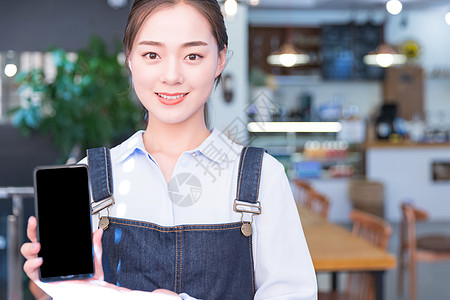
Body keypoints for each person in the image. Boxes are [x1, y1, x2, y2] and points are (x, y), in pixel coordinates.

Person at [21, 0, 318, 299]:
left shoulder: (263, 177)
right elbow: (51, 293)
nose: (172, 76)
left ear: (219, 59)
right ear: (129, 59)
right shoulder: (89, 176)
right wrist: (48, 285)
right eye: (152, 54)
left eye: (192, 55)